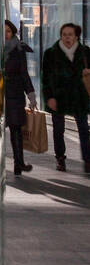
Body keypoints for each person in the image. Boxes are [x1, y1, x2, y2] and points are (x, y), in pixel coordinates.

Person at [41, 22, 90, 175]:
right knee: (58, 129)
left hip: (79, 96)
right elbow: (46, 78)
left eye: (70, 34)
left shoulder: (86, 52)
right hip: (59, 96)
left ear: (76, 37)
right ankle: (60, 158)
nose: (67, 37)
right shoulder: (51, 53)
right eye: (64, 34)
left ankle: (88, 160)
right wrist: (49, 97)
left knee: (83, 128)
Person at [3, 20, 36, 176]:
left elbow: (24, 73)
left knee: (16, 128)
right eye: (2, 31)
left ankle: (19, 163)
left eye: (8, 31)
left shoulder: (18, 49)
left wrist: (31, 95)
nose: (5, 34)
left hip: (15, 93)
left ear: (13, 32)